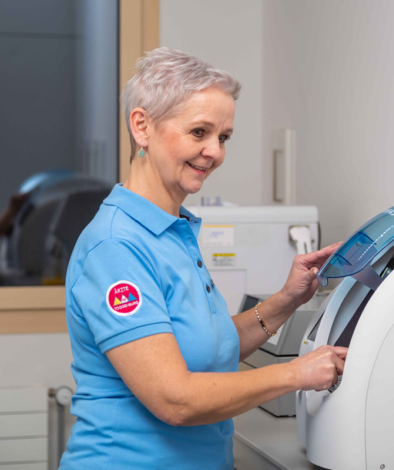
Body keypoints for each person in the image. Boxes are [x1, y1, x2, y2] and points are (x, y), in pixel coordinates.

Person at [59, 48, 347, 469]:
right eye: (199, 133)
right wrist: (296, 374)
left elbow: (206, 348)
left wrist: (287, 300)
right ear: (142, 127)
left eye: (223, 137)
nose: (215, 152)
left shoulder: (174, 230)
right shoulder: (116, 246)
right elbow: (175, 399)